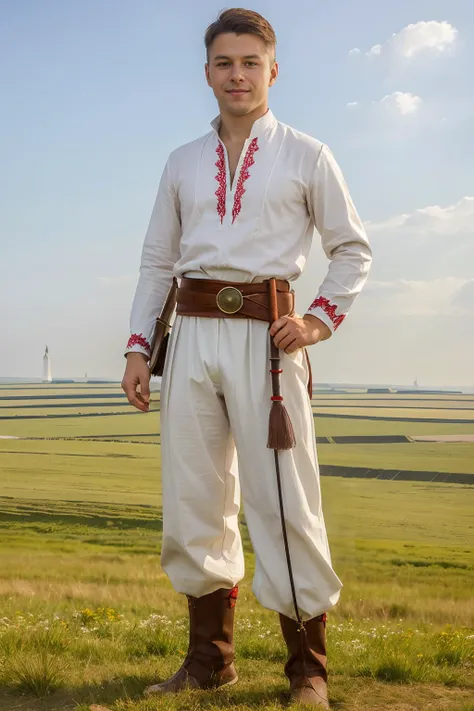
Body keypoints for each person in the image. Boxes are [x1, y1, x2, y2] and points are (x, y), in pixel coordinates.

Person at [121, 8, 372, 708]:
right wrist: (140, 347)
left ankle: (308, 671)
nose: (237, 74)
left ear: (273, 70)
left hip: (270, 341)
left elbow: (352, 247)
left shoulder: (307, 154)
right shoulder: (181, 162)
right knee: (196, 499)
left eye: (250, 63)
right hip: (193, 334)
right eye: (224, 63)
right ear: (207, 72)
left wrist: (318, 320)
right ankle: (210, 661)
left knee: (287, 501)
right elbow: (156, 262)